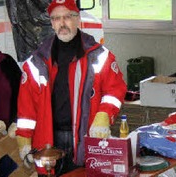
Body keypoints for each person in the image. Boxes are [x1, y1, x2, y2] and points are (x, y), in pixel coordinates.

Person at [14, 0, 127, 175]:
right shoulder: (36, 63)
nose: (62, 23)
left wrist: (104, 115)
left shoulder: (99, 56)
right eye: (56, 18)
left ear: (78, 19)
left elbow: (115, 89)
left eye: (67, 17)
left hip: (86, 136)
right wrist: (24, 139)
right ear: (51, 23)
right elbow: (26, 108)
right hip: (49, 139)